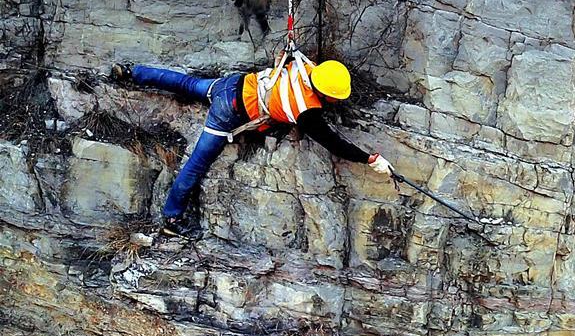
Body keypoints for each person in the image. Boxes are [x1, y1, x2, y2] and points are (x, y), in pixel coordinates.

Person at [111, 57, 393, 237]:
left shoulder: (305, 67)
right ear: (323, 92)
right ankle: (172, 218)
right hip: (230, 111)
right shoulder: (305, 111)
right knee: (197, 164)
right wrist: (369, 159)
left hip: (235, 83)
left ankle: (131, 71)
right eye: (334, 97)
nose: (336, 101)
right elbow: (334, 143)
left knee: (186, 83)